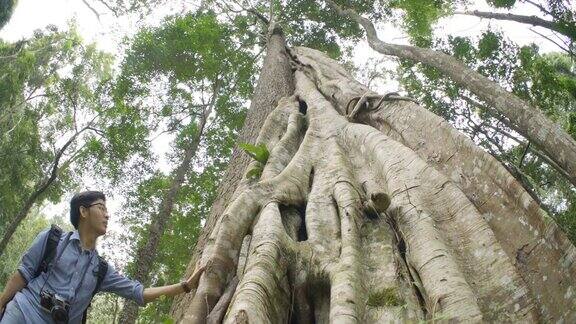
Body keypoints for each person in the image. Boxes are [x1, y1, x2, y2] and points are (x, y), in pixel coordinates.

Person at [0, 191, 205, 323]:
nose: (107, 215)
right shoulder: (52, 239)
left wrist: (186, 286)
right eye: (101, 208)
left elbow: (139, 293)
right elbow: (23, 274)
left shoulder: (101, 270)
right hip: (22, 314)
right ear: (83, 211)